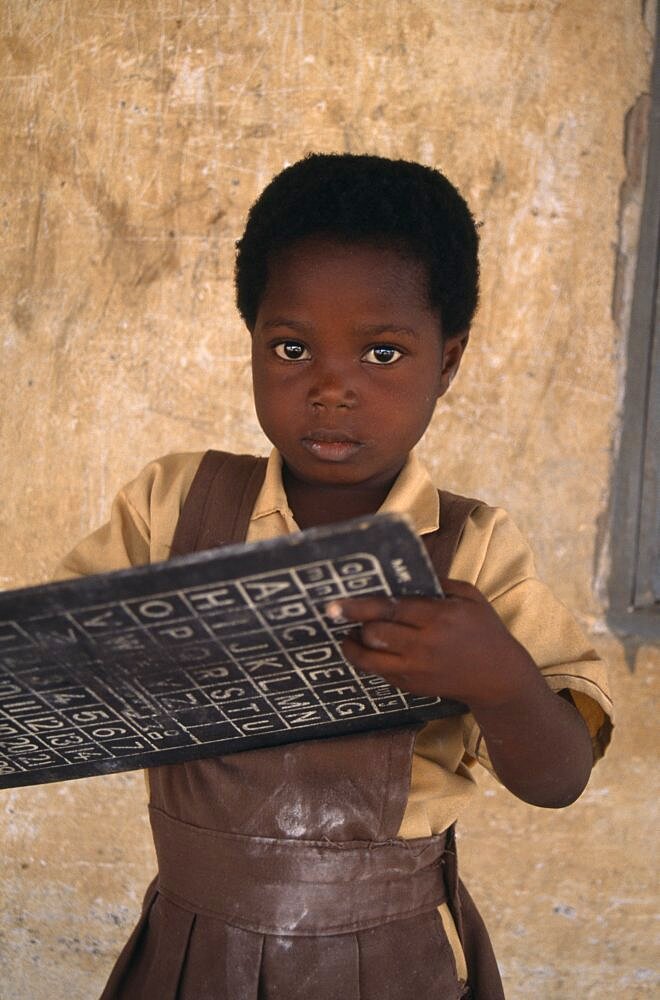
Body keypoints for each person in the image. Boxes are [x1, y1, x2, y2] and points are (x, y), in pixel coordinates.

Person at [57, 153, 613, 999]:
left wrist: (500, 682)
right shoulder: (174, 507)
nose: (332, 388)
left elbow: (560, 778)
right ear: (251, 343)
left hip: (395, 963)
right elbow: (58, 666)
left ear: (449, 360)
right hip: (191, 949)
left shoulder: (474, 552)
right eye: (291, 347)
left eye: (383, 353)